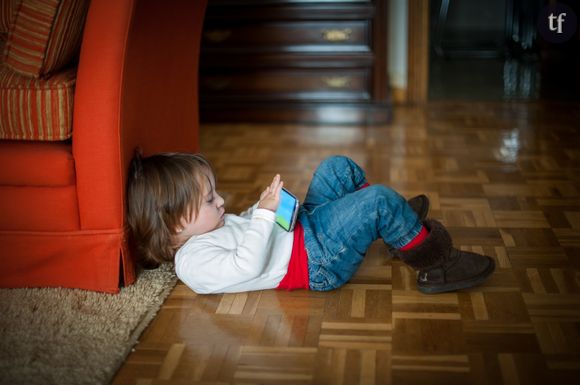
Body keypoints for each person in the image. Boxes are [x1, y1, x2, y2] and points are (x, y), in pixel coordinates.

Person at [126, 152, 495, 295]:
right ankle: (435, 263)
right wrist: (267, 215)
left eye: (215, 192)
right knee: (379, 200)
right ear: (174, 225)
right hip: (315, 259)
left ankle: (393, 228)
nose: (221, 201)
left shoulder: (206, 226)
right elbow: (248, 263)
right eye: (209, 200)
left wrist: (266, 208)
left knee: (337, 167)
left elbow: (258, 230)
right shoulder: (194, 265)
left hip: (303, 228)